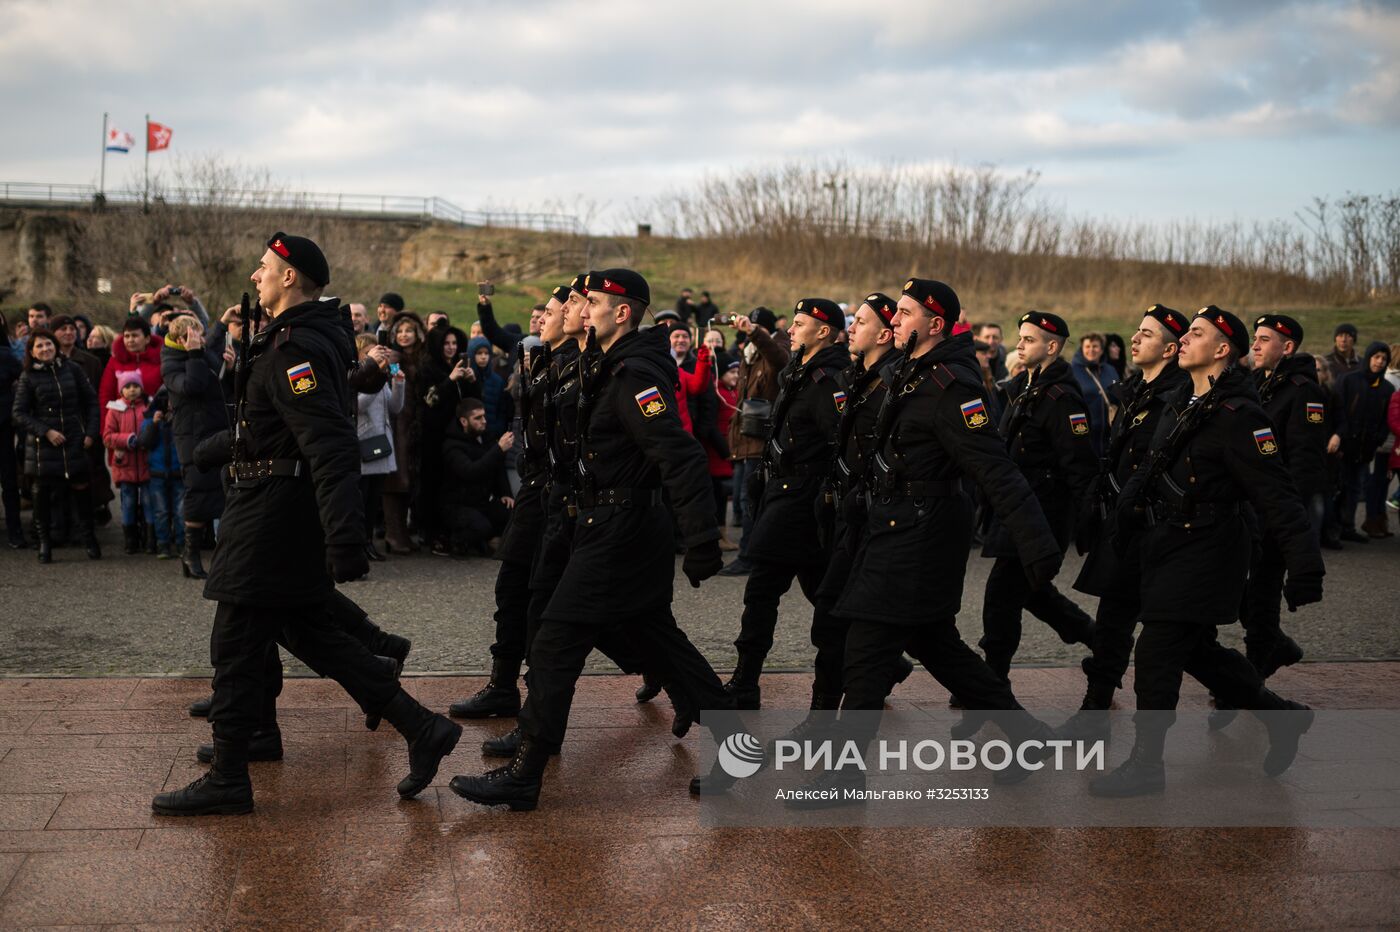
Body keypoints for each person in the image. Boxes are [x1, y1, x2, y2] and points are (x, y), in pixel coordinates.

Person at [150, 233, 460, 817]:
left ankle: (228, 777)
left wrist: (344, 537)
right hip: (268, 501)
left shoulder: (295, 348)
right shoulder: (287, 340)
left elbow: (328, 440)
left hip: (273, 515)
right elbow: (277, 427)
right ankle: (421, 728)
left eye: (265, 266)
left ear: (289, 277)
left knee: (236, 644)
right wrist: (218, 446)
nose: (256, 272)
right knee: (310, 637)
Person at [448, 268, 736, 810]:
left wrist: (701, 539)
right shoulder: (602, 364)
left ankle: (526, 772)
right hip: (599, 523)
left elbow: (678, 454)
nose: (583, 307)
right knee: (659, 641)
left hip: (623, 530)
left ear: (620, 312)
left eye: (592, 300)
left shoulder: (633, 374)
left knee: (556, 639)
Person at [791, 280, 1063, 803]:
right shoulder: (906, 372)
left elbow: (994, 468)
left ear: (935, 325)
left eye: (906, 314)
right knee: (940, 649)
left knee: (867, 652)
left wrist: (1037, 543)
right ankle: (1029, 736)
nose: (893, 321)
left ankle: (845, 776)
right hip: (891, 527)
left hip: (921, 535)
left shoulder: (952, 386)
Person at [1091, 306, 1323, 798]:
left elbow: (1278, 494)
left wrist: (1304, 567)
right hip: (1167, 544)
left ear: (1221, 351)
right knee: (1196, 650)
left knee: (1155, 648)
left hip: (1211, 548)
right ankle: (1281, 717)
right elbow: (1150, 469)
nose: (1184, 341)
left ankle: (1146, 765)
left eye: (1195, 334)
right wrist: (1125, 518)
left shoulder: (1242, 416)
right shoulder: (1181, 400)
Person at [1059, 305, 1191, 740]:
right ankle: (1093, 710)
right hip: (1125, 528)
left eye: (1147, 334)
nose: (1134, 339)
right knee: (1113, 623)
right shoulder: (1134, 388)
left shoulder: (1179, 393)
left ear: (1171, 349)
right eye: (1136, 331)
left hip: (1159, 533)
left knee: (1192, 649)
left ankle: (1269, 705)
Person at [450, 285, 573, 720]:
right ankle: (503, 687)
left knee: (561, 607)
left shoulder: (576, 364)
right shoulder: (540, 358)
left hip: (562, 498)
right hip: (534, 490)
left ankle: (539, 713)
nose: (541, 321)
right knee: (512, 588)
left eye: (552, 313)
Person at [724, 298, 850, 708]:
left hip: (802, 501)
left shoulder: (829, 379)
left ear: (824, 332)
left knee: (762, 590)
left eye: (799, 324)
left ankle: (746, 683)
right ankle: (885, 665)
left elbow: (841, 446)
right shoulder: (800, 371)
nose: (791, 330)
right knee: (817, 592)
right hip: (783, 495)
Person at [978, 311, 1097, 688]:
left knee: (1001, 597)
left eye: (1029, 339)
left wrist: (1087, 524)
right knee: (1033, 594)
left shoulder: (1062, 397)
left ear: (1052, 346)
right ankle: (1094, 636)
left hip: (1042, 516)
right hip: (1017, 513)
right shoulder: (1024, 387)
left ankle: (993, 682)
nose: (1020, 344)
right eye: (1021, 337)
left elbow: (1079, 466)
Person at [12, 329, 101, 562]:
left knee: (82, 492)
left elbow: (91, 402)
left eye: (48, 344)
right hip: (44, 445)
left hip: (75, 440)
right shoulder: (28, 376)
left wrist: (90, 433)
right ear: (31, 352)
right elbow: (19, 413)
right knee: (41, 496)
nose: (45, 349)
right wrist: (46, 431)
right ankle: (44, 543)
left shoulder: (72, 369)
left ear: (56, 346)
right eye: (39, 346)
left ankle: (90, 539)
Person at [719, 307, 791, 576]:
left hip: (761, 439)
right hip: (744, 437)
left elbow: (780, 362)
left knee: (751, 499)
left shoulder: (776, 347)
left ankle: (750, 556)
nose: (748, 331)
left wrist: (755, 333)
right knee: (743, 499)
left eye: (754, 327)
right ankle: (752, 552)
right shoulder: (749, 352)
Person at [161, 313, 228, 579]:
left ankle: (217, 555)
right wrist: (194, 355)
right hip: (192, 437)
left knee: (221, 490)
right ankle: (190, 554)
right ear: (181, 339)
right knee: (197, 491)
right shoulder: (171, 363)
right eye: (195, 335)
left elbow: (215, 370)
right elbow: (194, 385)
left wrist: (221, 323)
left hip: (214, 430)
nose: (201, 339)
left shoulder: (200, 351)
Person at [417, 323, 478, 554]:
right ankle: (431, 532)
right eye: (446, 343)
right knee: (433, 485)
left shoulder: (460, 365)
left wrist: (471, 380)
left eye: (454, 343)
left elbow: (472, 402)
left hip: (458, 436)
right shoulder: (429, 368)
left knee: (453, 487)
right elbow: (429, 400)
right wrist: (450, 379)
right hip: (434, 436)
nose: (451, 348)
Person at [1333, 341, 1395, 540]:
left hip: (1366, 450)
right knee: (1337, 488)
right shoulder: (1348, 380)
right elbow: (1338, 411)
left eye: (1384, 359)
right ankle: (1332, 529)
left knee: (1355, 489)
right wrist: (1339, 437)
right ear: (1368, 357)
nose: (1379, 362)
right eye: (1376, 357)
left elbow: (1386, 420)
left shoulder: (1386, 388)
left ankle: (1348, 528)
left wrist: (1378, 441)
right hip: (1344, 446)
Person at [353, 333, 404, 563]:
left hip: (382, 445)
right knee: (361, 502)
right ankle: (358, 545)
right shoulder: (358, 378)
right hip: (364, 445)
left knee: (373, 502)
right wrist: (375, 378)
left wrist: (398, 383)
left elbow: (394, 408)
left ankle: (369, 542)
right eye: (370, 353)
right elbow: (358, 405)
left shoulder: (381, 378)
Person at [442, 397, 515, 556]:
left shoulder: (485, 437)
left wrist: (505, 494)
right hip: (457, 506)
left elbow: (498, 469)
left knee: (510, 512)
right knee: (480, 526)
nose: (483, 421)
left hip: (481, 502)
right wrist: (498, 449)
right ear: (463, 421)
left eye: (484, 416)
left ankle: (487, 542)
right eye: (477, 418)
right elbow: (471, 472)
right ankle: (458, 542)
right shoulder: (452, 446)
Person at [381, 312, 426, 553]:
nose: (404, 335)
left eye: (408, 330)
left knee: (405, 481)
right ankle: (393, 535)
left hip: (413, 424)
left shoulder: (418, 358)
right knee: (395, 481)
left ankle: (401, 534)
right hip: (399, 422)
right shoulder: (395, 357)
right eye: (400, 331)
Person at [102, 370, 154, 554]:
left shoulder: (148, 407)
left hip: (146, 464)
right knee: (128, 503)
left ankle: (150, 539)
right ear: (121, 390)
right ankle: (130, 540)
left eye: (136, 386)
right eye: (128, 387)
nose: (132, 390)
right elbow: (107, 436)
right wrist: (128, 439)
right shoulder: (114, 409)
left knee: (149, 502)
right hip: (125, 465)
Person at [140, 386, 184, 559]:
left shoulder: (180, 419)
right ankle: (163, 544)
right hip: (157, 473)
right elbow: (144, 442)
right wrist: (154, 424)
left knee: (181, 512)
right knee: (161, 511)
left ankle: (181, 543)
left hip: (177, 472)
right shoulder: (150, 420)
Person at [1070, 331, 1118, 458]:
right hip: (1084, 436)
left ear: (1102, 350)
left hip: (1109, 434)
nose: (1091, 350)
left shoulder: (1110, 370)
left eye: (1095, 346)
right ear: (1082, 349)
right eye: (1087, 346)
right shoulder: (1071, 371)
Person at [100, 316, 164, 409]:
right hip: (121, 420)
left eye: (135, 335)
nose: (130, 340)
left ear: (147, 339)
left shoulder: (160, 360)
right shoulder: (115, 361)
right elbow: (106, 394)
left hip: (153, 419)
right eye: (127, 336)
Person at [0, 313, 24, 548]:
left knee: (8, 481)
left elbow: (23, 378)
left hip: (3, 426)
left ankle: (15, 529)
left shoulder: (5, 355)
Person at [466, 335, 510, 439]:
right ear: (471, 355)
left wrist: (497, 430)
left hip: (492, 434)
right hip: (470, 434)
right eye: (479, 353)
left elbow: (501, 410)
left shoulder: (497, 381)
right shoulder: (466, 379)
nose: (483, 357)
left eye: (486, 353)